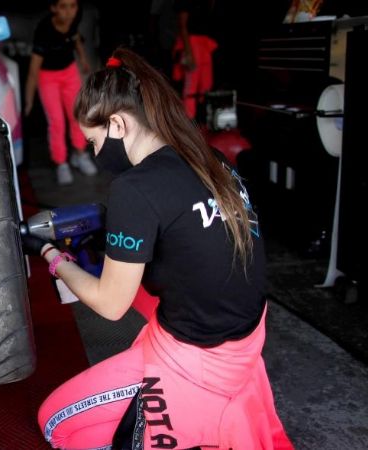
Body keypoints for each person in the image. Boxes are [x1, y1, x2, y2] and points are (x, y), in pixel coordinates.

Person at [23, 48, 294, 449]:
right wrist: (110, 232)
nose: (96, 155)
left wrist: (50, 255)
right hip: (247, 340)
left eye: (94, 141)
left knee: (56, 423)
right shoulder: (210, 158)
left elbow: (111, 305)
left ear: (117, 124)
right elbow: (192, 238)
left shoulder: (135, 188)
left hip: (199, 358)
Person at [25, 0, 97, 186]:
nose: (69, 12)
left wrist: (83, 59)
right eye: (64, 6)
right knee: (56, 121)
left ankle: (79, 154)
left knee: (77, 114)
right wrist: (29, 100)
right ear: (53, 8)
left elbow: (75, 37)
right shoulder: (44, 30)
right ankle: (61, 163)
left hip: (69, 72)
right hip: (47, 77)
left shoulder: (73, 20)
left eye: (73, 6)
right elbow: (34, 69)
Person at [173, 0, 218, 120]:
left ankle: (204, 122)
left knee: (206, 86)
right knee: (191, 89)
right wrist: (188, 53)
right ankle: (188, 123)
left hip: (205, 44)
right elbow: (182, 26)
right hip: (192, 45)